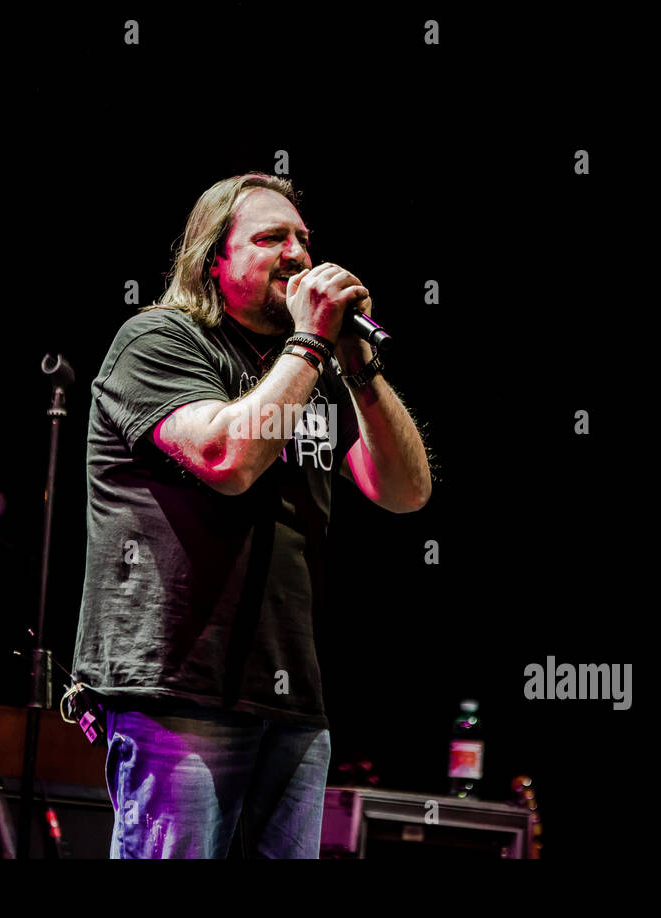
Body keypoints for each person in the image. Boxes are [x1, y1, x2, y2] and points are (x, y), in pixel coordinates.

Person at [71, 173, 432, 858]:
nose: (297, 254)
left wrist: (357, 363)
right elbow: (227, 458)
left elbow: (406, 491)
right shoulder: (159, 341)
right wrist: (312, 347)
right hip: (178, 689)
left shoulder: (318, 367)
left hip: (292, 697)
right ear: (214, 260)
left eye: (303, 239)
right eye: (270, 238)